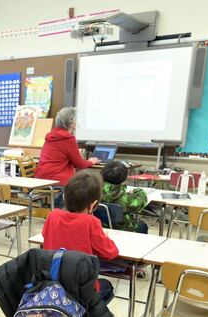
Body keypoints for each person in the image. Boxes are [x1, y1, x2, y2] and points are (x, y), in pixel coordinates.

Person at [42, 171, 119, 299]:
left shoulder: (52, 216)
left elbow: (46, 236)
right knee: (107, 287)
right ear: (93, 205)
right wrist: (103, 235)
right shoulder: (91, 222)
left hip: (51, 287)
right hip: (80, 292)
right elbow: (111, 253)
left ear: (64, 198)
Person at [35, 107, 100, 207]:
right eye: (76, 119)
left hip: (41, 177)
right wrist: (91, 161)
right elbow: (80, 164)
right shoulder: (68, 138)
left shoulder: (51, 135)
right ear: (71, 122)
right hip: (57, 180)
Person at [101, 161, 149, 234]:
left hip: (100, 228)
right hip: (122, 229)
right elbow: (136, 205)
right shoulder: (125, 197)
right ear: (124, 178)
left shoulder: (94, 190)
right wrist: (139, 191)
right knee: (143, 226)